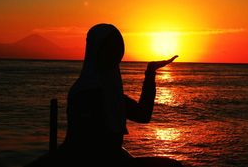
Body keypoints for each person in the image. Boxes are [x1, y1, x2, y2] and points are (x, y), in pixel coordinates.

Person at [26, 23, 182, 167]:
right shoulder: (84, 91)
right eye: (109, 48)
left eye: (116, 48)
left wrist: (150, 73)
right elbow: (84, 143)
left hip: (114, 157)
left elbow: (143, 115)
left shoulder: (112, 92)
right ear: (97, 50)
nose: (113, 54)